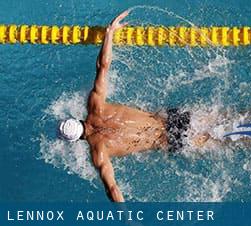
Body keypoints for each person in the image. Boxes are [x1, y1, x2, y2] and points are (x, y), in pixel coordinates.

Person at [58, 11, 210, 202]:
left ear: (76, 140)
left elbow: (112, 189)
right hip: (172, 118)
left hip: (171, 140)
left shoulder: (99, 152)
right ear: (76, 119)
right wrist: (109, 33)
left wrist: (130, 221)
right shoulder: (95, 105)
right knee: (226, 118)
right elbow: (103, 66)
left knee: (227, 141)